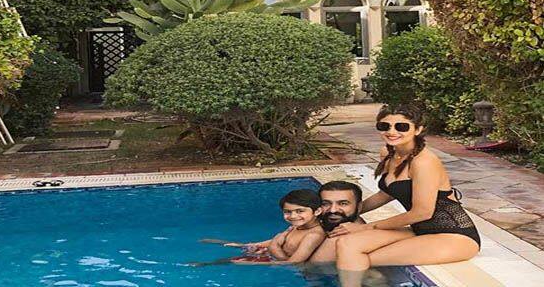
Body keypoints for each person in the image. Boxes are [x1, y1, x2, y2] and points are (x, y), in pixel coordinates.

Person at [330, 105, 480, 287]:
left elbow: (422, 212)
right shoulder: (388, 153)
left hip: (453, 235)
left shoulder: (424, 162)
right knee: (347, 245)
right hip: (419, 230)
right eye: (384, 126)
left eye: (401, 127)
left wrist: (366, 228)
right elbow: (386, 193)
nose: (392, 132)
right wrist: (350, 211)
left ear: (418, 129)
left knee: (362, 258)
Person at [197, 189, 326, 266]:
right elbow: (280, 240)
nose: (293, 216)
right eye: (287, 212)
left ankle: (204, 264)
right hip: (270, 253)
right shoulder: (298, 226)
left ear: (317, 211)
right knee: (237, 248)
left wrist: (255, 263)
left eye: (300, 211)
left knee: (230, 261)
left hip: (276, 260)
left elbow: (294, 263)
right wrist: (253, 244)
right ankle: (232, 245)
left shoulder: (313, 235)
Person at [308, 181, 364, 264]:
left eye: (343, 203)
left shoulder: (338, 239)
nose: (333, 210)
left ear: (359, 206)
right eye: (325, 204)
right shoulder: (352, 220)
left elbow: (309, 269)